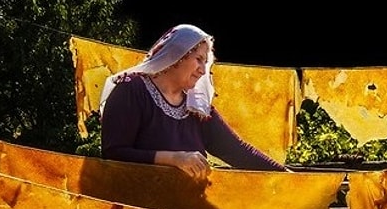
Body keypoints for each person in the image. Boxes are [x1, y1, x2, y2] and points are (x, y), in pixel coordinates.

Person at [99, 23, 288, 182]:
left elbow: (238, 152)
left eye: (205, 63)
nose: (202, 71)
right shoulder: (131, 90)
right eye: (198, 59)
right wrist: (173, 159)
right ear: (176, 57)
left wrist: (289, 178)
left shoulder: (197, 107)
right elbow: (113, 154)